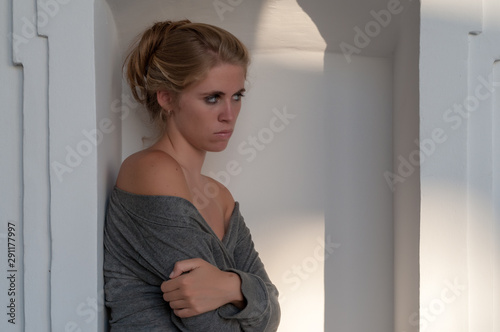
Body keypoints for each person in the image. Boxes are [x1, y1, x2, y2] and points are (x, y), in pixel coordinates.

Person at [103, 19, 281, 331]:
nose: (229, 114)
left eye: (237, 96)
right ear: (167, 98)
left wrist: (232, 286)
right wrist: (248, 293)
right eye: (212, 97)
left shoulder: (220, 197)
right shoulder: (151, 171)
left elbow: (273, 311)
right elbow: (206, 324)